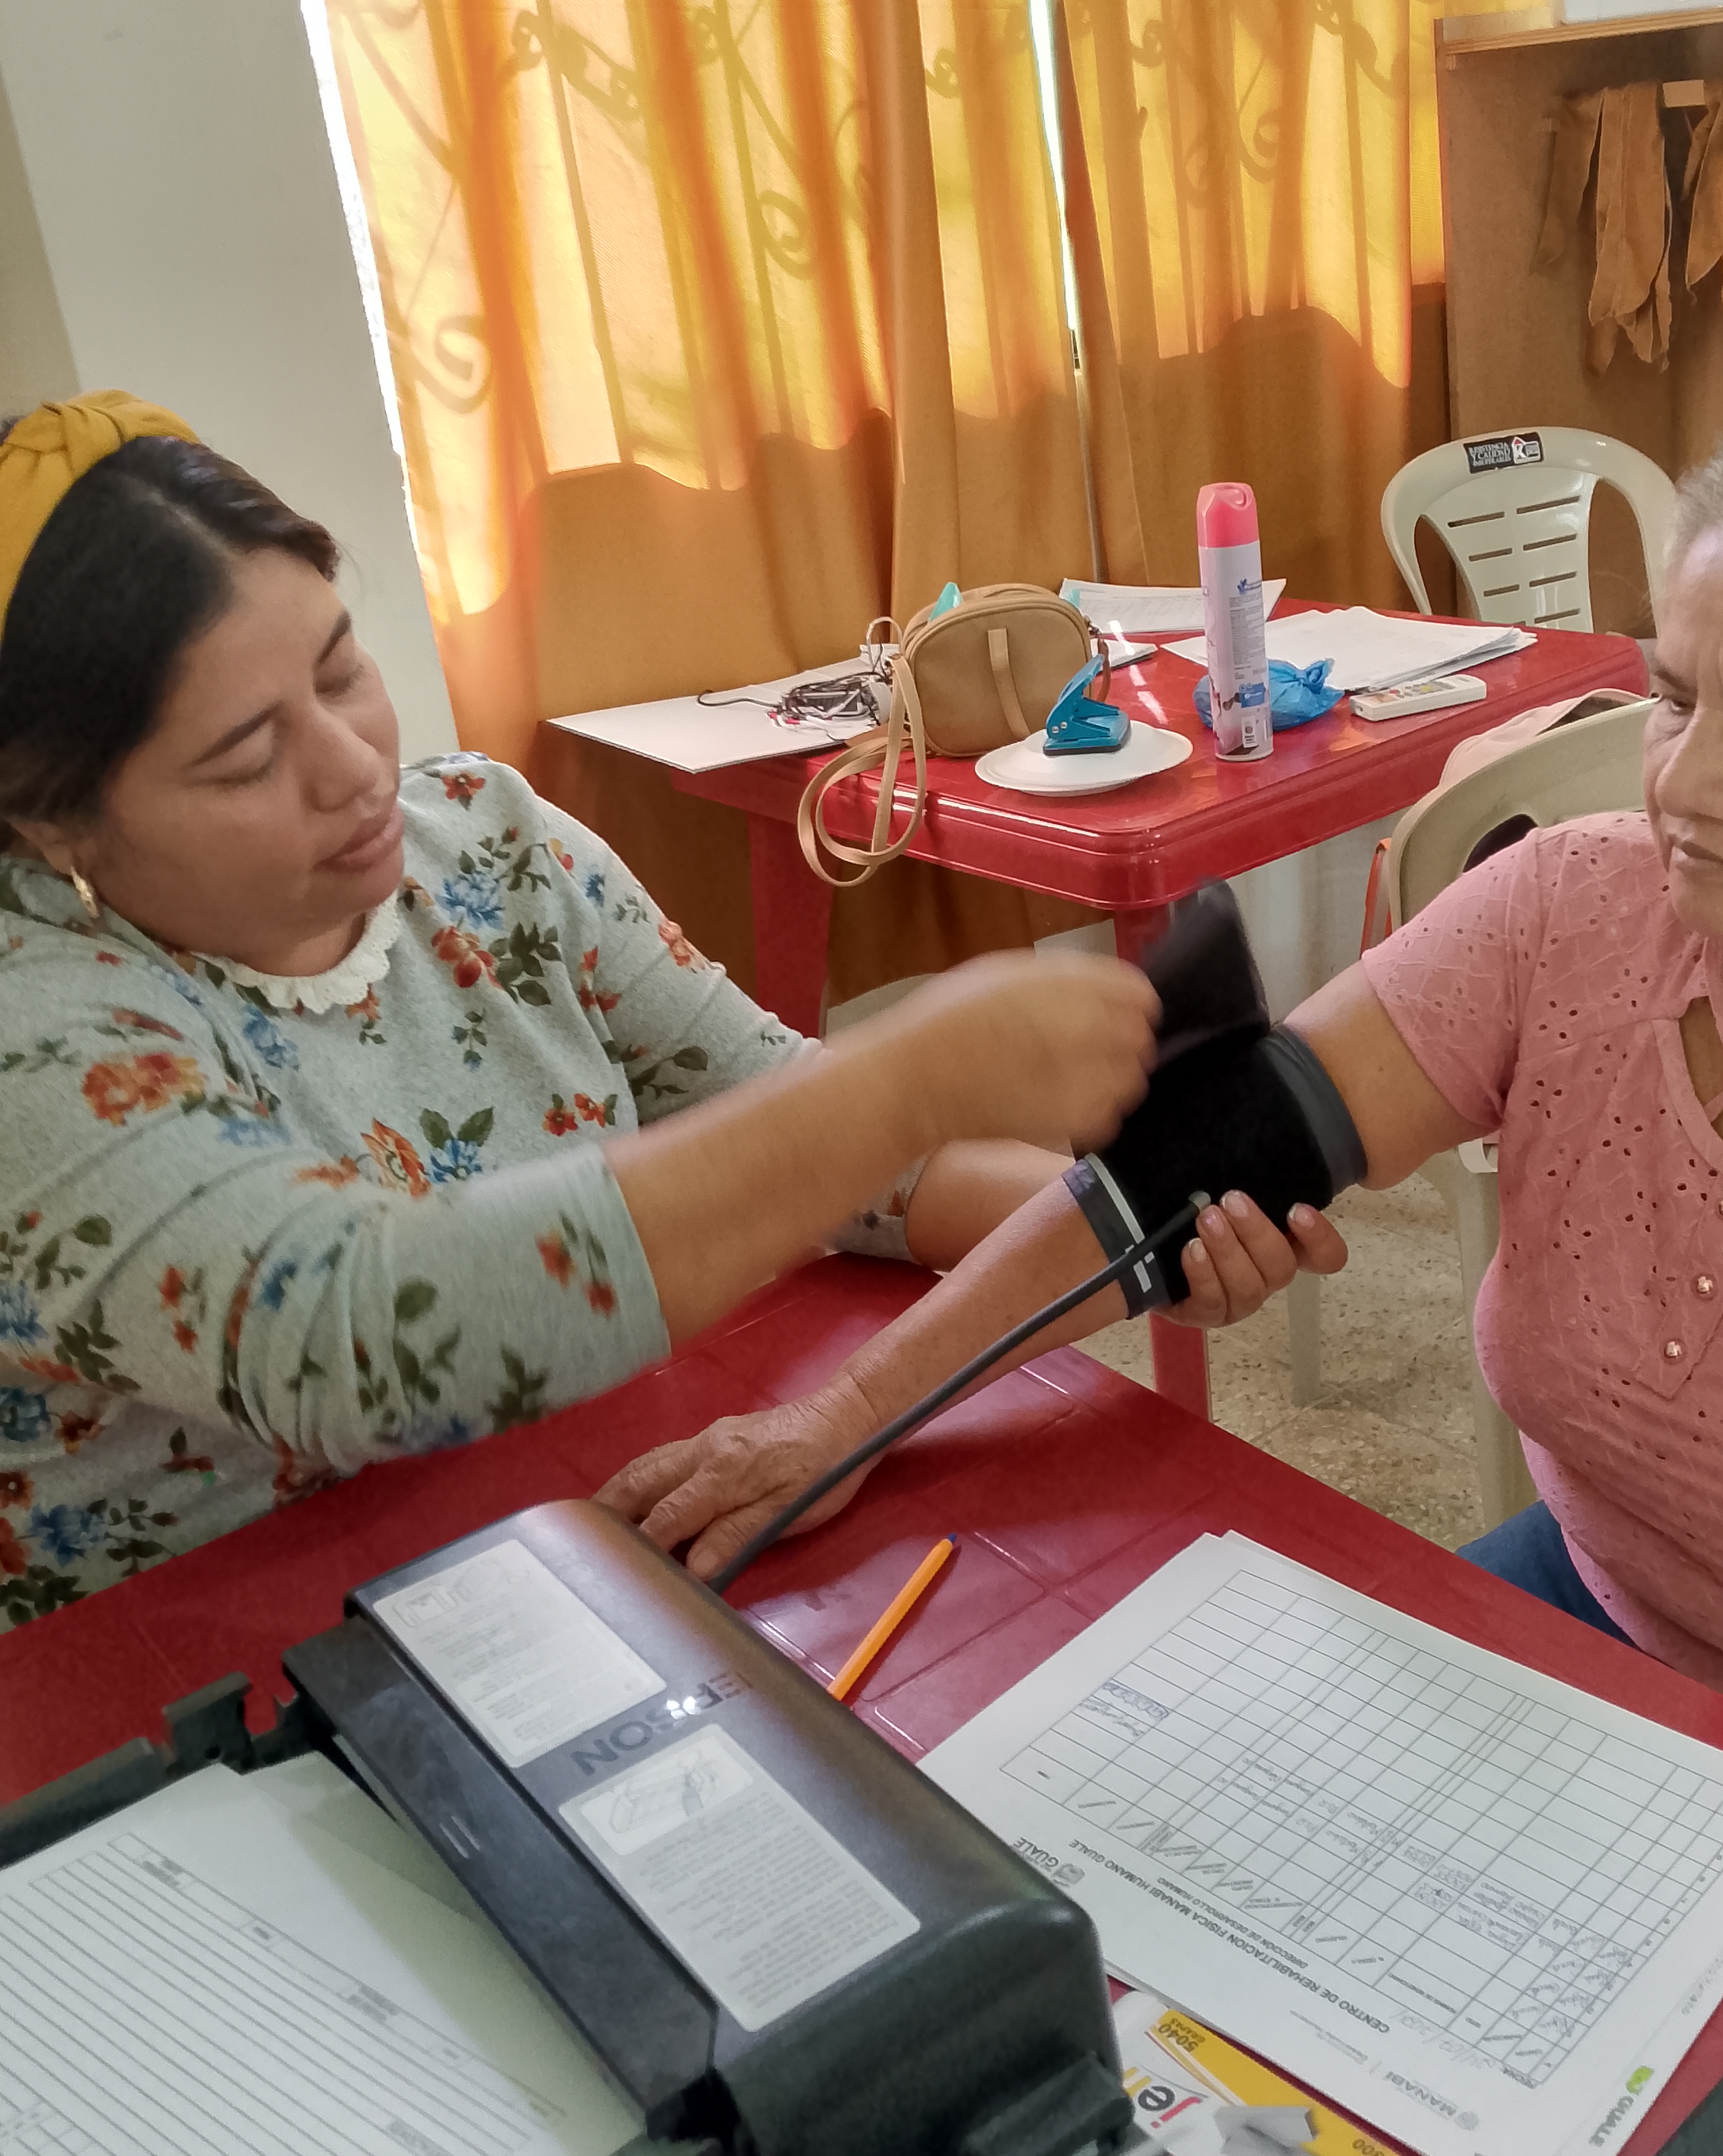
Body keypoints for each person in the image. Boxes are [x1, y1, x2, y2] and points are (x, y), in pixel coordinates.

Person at [605, 407, 1723, 1897]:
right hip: (1603, 1613)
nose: (1684, 781)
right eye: (1673, 697)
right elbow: (1201, 1162)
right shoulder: (1572, 912)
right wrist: (842, 1420)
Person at [0, 393, 1324, 1620]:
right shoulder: (40, 1034)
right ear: (54, 822)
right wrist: (909, 1078)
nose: (353, 768)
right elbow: (362, 1339)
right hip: (197, 1678)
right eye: (247, 757)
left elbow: (831, 1156)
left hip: (564, 1550)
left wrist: (1129, 1225)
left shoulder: (487, 845)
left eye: (343, 671)